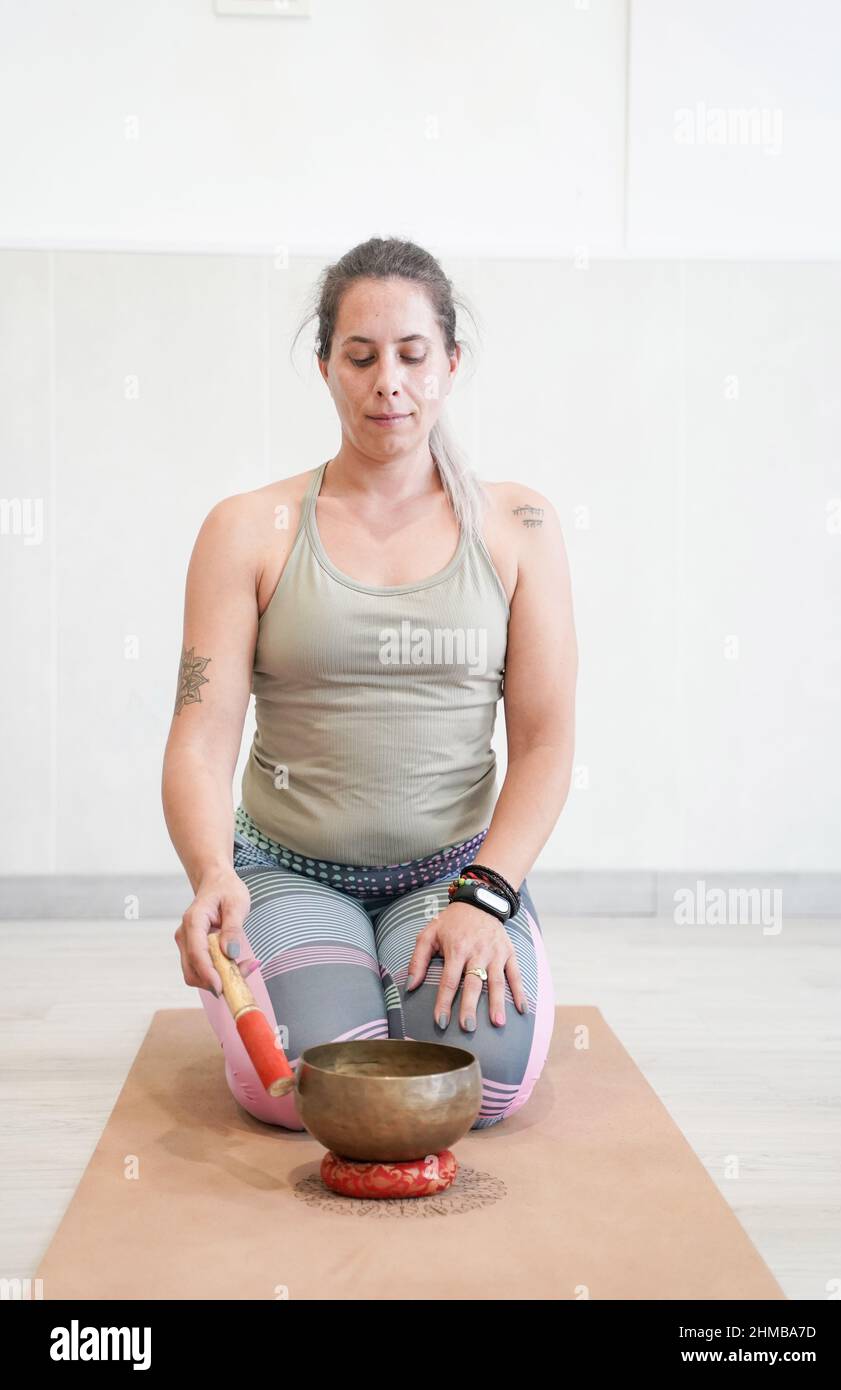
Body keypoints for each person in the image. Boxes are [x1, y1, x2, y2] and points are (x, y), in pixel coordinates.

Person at [162, 236, 577, 1131]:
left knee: (483, 1085)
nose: (388, 380)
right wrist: (208, 875)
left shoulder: (522, 526)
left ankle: (428, 955)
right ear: (325, 368)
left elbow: (546, 743)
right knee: (311, 1092)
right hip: (287, 869)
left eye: (412, 354)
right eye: (360, 356)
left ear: (450, 363)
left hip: (453, 874)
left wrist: (485, 897)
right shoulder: (247, 529)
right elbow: (200, 736)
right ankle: (336, 971)